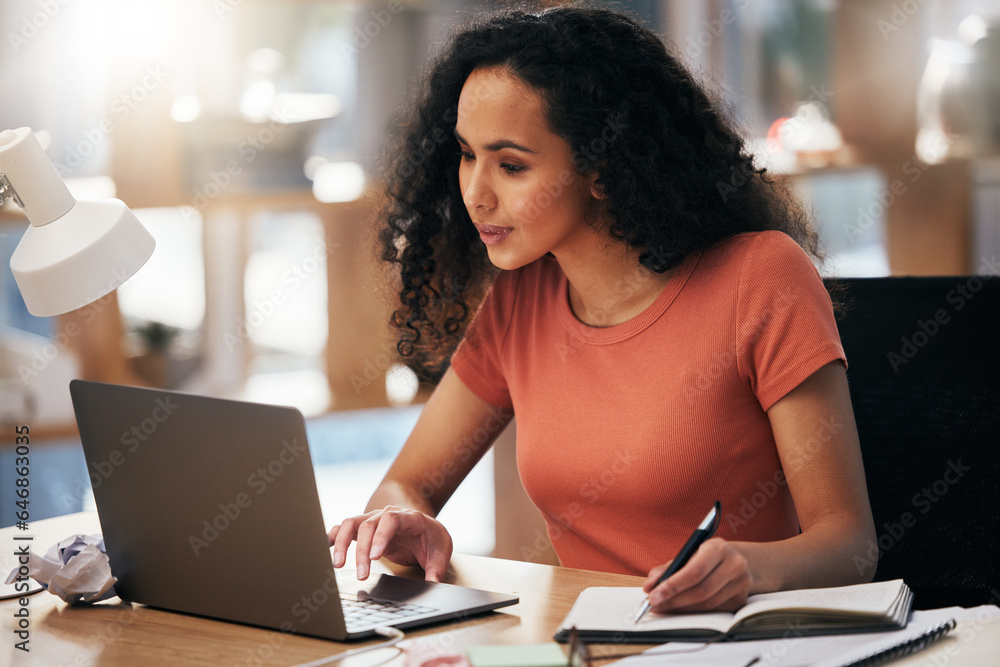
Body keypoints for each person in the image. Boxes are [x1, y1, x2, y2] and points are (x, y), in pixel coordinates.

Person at [329, 5, 877, 614]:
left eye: (511, 165)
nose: (476, 194)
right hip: (586, 643)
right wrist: (402, 521)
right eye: (466, 155)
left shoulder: (760, 276)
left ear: (602, 169)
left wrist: (747, 567)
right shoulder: (521, 296)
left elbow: (850, 547)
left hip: (732, 644)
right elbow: (411, 482)